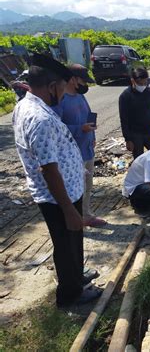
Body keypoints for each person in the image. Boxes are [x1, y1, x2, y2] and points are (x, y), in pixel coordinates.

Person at [12, 54, 102, 308]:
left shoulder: (34, 108)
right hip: (57, 197)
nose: (64, 94)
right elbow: (48, 169)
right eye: (62, 88)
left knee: (73, 241)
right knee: (65, 244)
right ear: (52, 87)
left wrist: (76, 171)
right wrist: (68, 210)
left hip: (68, 190)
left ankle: (76, 275)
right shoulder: (38, 118)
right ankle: (70, 294)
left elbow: (55, 154)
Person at [53, 64, 107, 227]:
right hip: (72, 153)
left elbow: (88, 117)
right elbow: (56, 127)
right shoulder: (61, 100)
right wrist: (79, 129)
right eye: (83, 80)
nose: (85, 84)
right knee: (76, 187)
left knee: (88, 185)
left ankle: (86, 215)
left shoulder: (80, 96)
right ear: (73, 79)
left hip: (87, 148)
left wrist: (92, 135)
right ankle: (75, 217)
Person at [119, 67, 150, 159]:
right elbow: (124, 119)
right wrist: (127, 139)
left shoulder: (148, 91)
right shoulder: (125, 96)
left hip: (149, 131)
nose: (143, 85)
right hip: (135, 135)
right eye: (140, 83)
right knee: (139, 160)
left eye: (145, 82)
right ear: (133, 81)